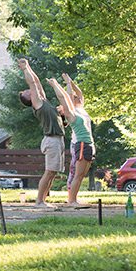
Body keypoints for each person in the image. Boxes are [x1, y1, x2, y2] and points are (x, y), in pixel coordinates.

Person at [18, 58, 66, 207]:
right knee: (49, 171)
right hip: (51, 140)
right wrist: (25, 69)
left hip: (57, 140)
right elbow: (32, 83)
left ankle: (43, 200)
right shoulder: (37, 104)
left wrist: (30, 66)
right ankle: (39, 201)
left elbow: (36, 82)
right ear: (29, 98)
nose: (30, 90)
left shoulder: (43, 101)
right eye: (28, 92)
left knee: (53, 173)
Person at [51, 75, 94, 208]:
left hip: (88, 144)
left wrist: (70, 81)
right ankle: (71, 201)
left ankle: (74, 198)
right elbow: (66, 97)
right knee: (78, 174)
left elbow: (79, 93)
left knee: (81, 175)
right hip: (81, 144)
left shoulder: (80, 108)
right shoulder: (71, 113)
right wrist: (57, 85)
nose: (76, 96)